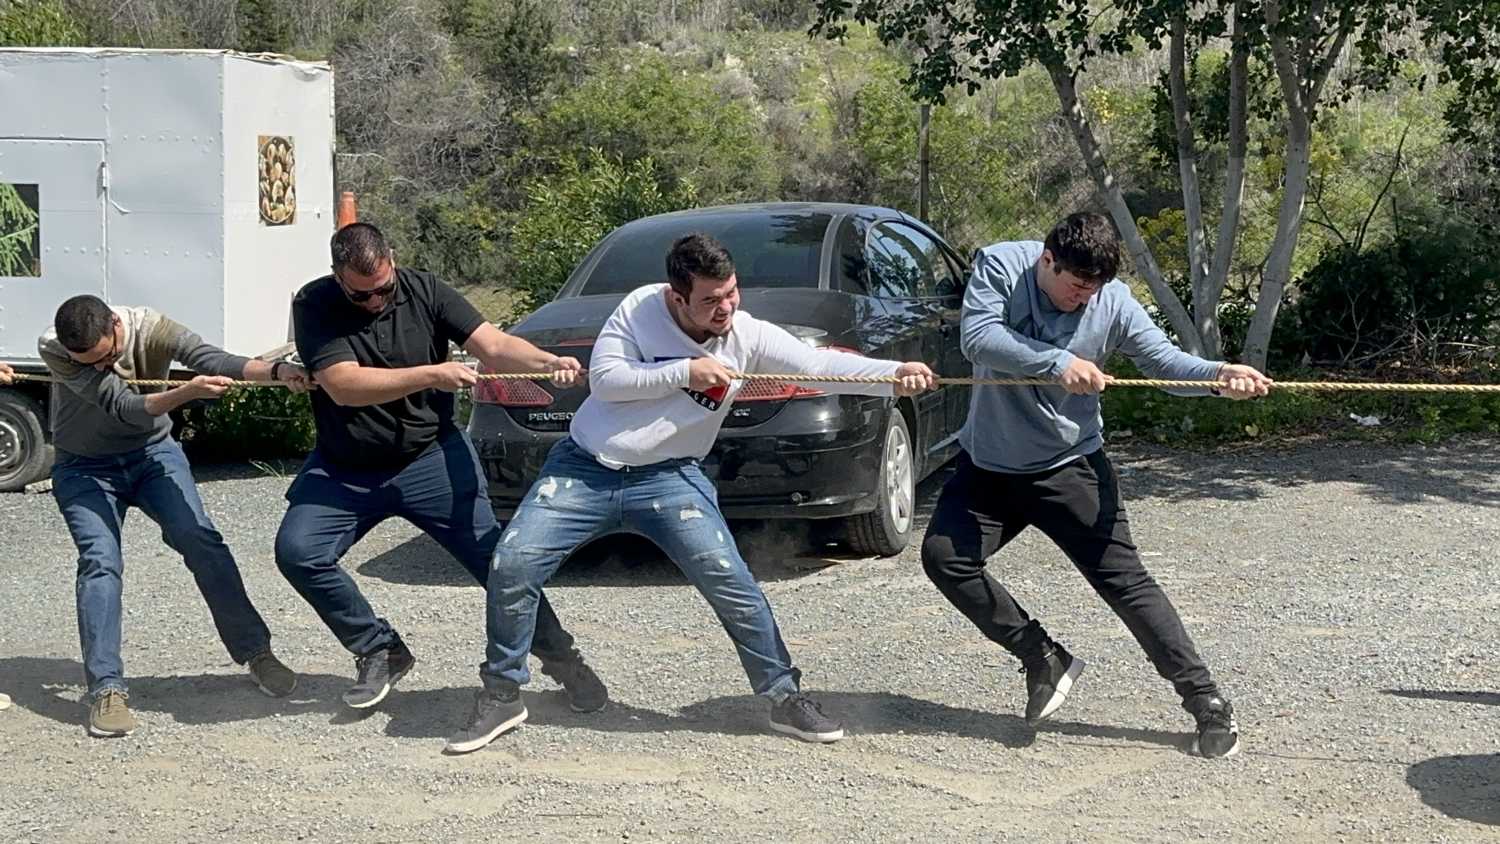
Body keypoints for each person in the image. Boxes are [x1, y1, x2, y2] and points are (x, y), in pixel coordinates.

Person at [445, 232, 939, 754]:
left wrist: (893, 375)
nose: (726, 308)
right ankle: (504, 693)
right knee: (513, 564)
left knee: (733, 583)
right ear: (676, 297)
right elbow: (608, 380)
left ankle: (784, 696)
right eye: (710, 300)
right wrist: (687, 371)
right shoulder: (640, 309)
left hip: (670, 477)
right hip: (584, 469)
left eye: (731, 293)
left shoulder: (747, 334)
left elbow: (817, 365)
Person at [920, 212, 1272, 759]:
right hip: (989, 466)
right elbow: (978, 338)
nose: (1084, 298)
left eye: (1095, 289)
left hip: (1069, 467)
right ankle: (1043, 658)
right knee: (945, 559)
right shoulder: (1001, 265)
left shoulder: (1114, 302)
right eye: (1077, 285)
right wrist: (1058, 362)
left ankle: (1206, 701)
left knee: (1126, 584)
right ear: (1048, 260)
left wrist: (1217, 377)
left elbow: (1164, 363)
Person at [275, 222, 607, 712]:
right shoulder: (314, 302)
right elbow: (344, 386)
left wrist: (546, 361)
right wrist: (432, 374)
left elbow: (493, 345)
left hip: (429, 456)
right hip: (345, 466)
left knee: (500, 566)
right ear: (337, 276)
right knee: (298, 552)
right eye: (360, 294)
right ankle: (379, 648)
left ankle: (563, 660)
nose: (374, 301)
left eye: (383, 288)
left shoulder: (426, 290)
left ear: (392, 259)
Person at [39, 295, 311, 737]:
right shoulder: (54, 347)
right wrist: (187, 393)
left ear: (116, 325)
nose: (103, 367)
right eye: (90, 364)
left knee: (200, 539)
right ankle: (106, 688)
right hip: (84, 467)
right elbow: (125, 408)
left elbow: (212, 358)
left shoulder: (152, 328)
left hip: (152, 455)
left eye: (107, 357)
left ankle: (256, 653)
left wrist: (278, 372)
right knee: (100, 560)